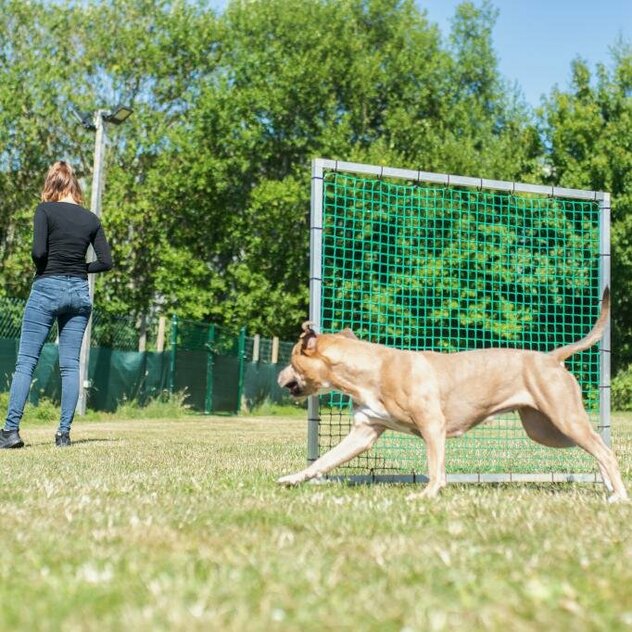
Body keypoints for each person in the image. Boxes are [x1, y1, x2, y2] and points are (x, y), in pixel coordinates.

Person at [1, 161, 113, 448]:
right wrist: (78, 268)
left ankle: (11, 432)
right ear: (73, 184)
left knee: (27, 362)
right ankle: (63, 434)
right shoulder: (91, 218)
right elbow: (106, 262)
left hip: (47, 287)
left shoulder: (45, 211)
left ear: (52, 184)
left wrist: (45, 268)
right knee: (70, 365)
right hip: (79, 293)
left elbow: (39, 251)